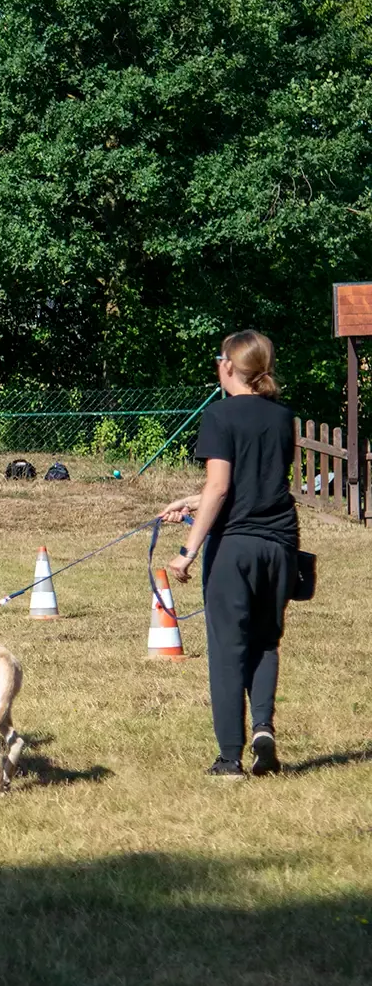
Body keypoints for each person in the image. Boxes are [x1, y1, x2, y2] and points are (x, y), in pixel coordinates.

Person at [161, 330, 299, 779]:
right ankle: (263, 729)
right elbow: (253, 483)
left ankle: (229, 758)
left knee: (227, 650)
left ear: (227, 366)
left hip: (234, 548)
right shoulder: (282, 417)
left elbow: (221, 486)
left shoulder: (219, 415)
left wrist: (187, 549)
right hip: (279, 545)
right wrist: (192, 500)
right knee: (264, 642)